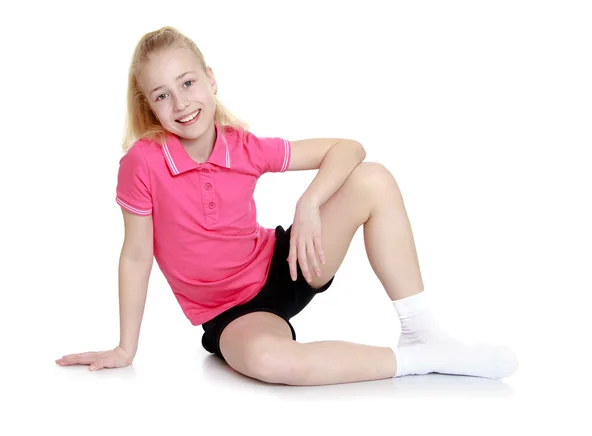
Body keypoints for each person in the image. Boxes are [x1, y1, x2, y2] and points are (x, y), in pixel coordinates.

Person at [55, 26, 518, 386]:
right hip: (231, 315)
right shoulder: (143, 163)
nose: (180, 103)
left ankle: (420, 328)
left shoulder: (245, 146)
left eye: (188, 82)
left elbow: (349, 147)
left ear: (211, 80)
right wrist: (125, 348)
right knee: (270, 360)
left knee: (372, 179)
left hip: (289, 262)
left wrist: (310, 202)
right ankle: (417, 360)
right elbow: (136, 255)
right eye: (162, 95)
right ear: (150, 107)